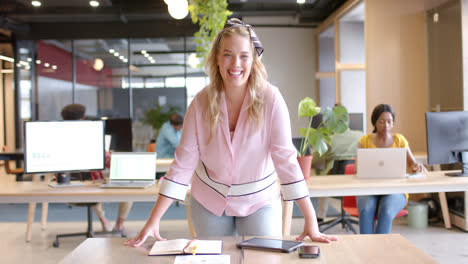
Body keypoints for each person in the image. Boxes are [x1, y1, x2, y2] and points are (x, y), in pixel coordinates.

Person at [125, 18, 337, 247]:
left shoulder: (271, 99)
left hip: (259, 199)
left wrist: (310, 218)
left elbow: (285, 159)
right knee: (210, 258)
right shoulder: (200, 103)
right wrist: (153, 219)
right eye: (227, 54)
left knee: (263, 257)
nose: (235, 64)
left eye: (244, 56)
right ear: (216, 58)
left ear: (254, 59)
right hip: (210, 198)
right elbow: (183, 164)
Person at [61, 103, 133, 235]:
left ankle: (104, 221)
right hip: (92, 187)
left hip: (64, 186)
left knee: (90, 183)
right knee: (130, 186)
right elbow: (109, 161)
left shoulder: (59, 137)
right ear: (82, 117)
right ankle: (119, 224)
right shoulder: (90, 137)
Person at [356, 104, 427, 234]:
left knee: (387, 211)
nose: (386, 125)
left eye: (389, 122)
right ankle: (365, 248)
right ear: (375, 122)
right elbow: (358, 167)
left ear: (393, 123)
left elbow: (412, 164)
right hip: (368, 188)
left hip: (395, 189)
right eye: (381, 122)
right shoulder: (365, 140)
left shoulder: (399, 140)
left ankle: (381, 249)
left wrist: (416, 167)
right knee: (366, 210)